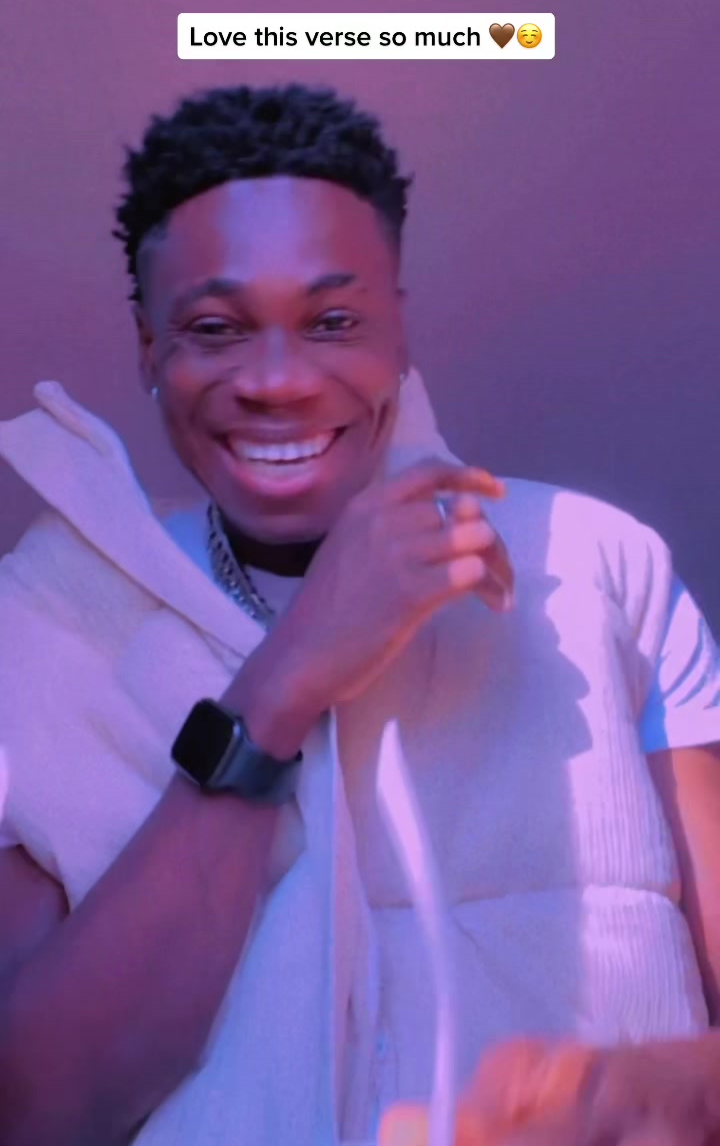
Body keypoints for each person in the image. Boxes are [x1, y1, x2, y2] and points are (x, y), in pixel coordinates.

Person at [0, 82, 718, 1146]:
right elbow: (35, 1107)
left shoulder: (602, 565)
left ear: (398, 329)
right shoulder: (40, 627)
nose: (278, 381)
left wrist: (664, 1085)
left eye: (333, 320)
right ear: (150, 347)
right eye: (215, 328)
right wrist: (286, 678)